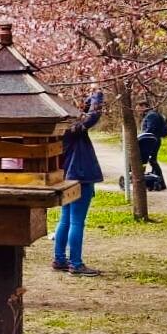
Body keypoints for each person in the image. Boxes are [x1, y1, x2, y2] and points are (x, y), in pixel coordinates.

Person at [52, 85, 104, 276]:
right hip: (80, 176)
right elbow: (92, 117)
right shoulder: (72, 129)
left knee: (65, 219)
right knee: (76, 222)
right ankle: (76, 263)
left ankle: (59, 258)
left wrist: (89, 98)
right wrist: (97, 93)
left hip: (67, 177)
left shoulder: (59, 127)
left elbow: (86, 114)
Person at [137, 100, 167, 190]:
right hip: (151, 140)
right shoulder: (150, 115)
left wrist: (142, 137)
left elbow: (151, 129)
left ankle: (160, 183)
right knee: (152, 161)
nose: (138, 110)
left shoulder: (151, 115)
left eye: (139, 108)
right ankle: (156, 182)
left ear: (144, 106)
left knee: (152, 161)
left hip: (151, 141)